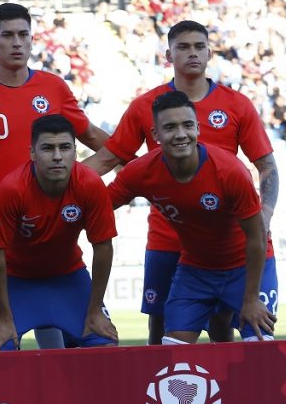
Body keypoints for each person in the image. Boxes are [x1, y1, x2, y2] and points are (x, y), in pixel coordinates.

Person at [84, 20, 280, 344]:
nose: (192, 53)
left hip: (227, 233)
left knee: (226, 325)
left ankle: (227, 389)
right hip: (168, 234)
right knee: (161, 327)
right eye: (183, 47)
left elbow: (267, 165)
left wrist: (266, 214)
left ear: (209, 53)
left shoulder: (236, 107)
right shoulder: (145, 107)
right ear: (168, 55)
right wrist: (58, 190)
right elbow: (107, 158)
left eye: (199, 46)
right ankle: (164, 391)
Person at [0, 2, 108, 336]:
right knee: (1, 339)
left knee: (75, 337)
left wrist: (125, 159)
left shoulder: (53, 87)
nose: (17, 42)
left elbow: (92, 137)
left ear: (33, 40)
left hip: (54, 234)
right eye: (7, 36)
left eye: (23, 35)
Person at [107, 91, 275, 344]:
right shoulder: (140, 172)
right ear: (155, 135)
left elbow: (257, 236)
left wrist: (250, 299)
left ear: (198, 128)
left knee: (259, 345)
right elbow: (100, 206)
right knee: (173, 347)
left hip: (245, 267)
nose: (180, 134)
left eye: (187, 125)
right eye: (170, 127)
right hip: (196, 269)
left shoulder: (230, 171)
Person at [0, 115, 118, 351]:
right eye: (47, 148)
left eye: (64, 147)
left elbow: (103, 246)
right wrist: (4, 318)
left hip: (68, 277)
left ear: (75, 152)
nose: (57, 156)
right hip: (16, 281)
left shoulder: (90, 184)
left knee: (106, 348)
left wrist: (95, 310)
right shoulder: (12, 188)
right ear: (32, 153)